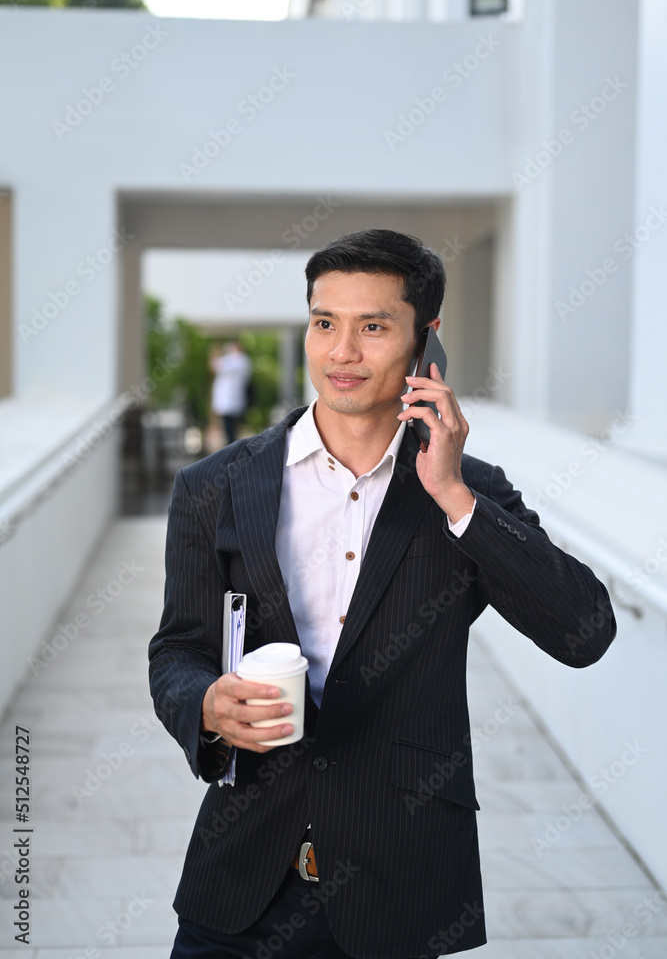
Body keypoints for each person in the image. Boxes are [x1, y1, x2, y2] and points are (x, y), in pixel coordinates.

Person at [148, 229, 616, 959]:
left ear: (425, 338)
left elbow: (583, 631)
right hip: (238, 882)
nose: (341, 352)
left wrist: (453, 496)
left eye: (372, 327)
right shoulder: (214, 486)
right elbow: (179, 649)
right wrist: (204, 704)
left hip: (397, 886)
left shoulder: (467, 491)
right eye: (323, 322)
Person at [210, 340, 252, 443]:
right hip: (231, 401)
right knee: (231, 428)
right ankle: (233, 445)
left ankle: (232, 446)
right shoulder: (241, 360)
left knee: (230, 428)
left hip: (230, 401)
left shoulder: (239, 360)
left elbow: (216, 365)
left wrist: (215, 353)